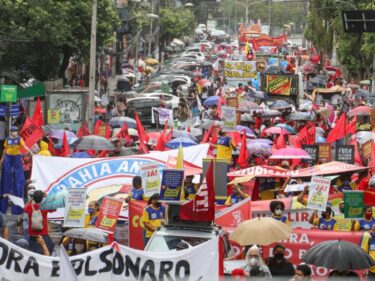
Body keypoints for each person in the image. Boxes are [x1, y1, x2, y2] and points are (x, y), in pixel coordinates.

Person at [0, 126, 33, 215]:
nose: (14, 132)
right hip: (8, 156)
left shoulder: (19, 139)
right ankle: (3, 206)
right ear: (10, 132)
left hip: (16, 157)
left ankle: (17, 208)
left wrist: (29, 151)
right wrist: (2, 159)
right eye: (13, 131)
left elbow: (24, 146)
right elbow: (5, 149)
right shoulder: (7, 139)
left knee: (18, 177)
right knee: (6, 176)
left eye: (15, 131)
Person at [24, 190, 55, 255]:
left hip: (33, 235)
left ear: (34, 198)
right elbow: (54, 208)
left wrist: (31, 199)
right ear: (42, 198)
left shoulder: (29, 207)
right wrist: (48, 197)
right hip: (43, 235)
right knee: (47, 251)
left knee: (34, 254)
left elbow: (25, 208)